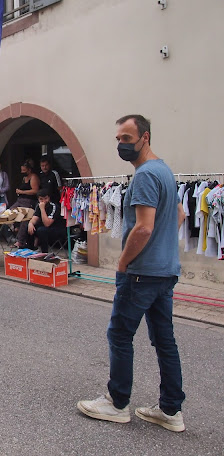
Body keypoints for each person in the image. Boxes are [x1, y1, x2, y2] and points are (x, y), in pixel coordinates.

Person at [77, 115, 186, 432]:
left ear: (145, 137)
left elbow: (143, 227)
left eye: (126, 138)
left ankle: (117, 403)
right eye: (118, 139)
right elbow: (178, 215)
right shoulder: (164, 171)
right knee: (165, 341)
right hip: (165, 272)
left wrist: (124, 263)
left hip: (140, 275)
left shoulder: (144, 176)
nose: (121, 144)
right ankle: (170, 410)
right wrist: (163, 248)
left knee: (120, 335)